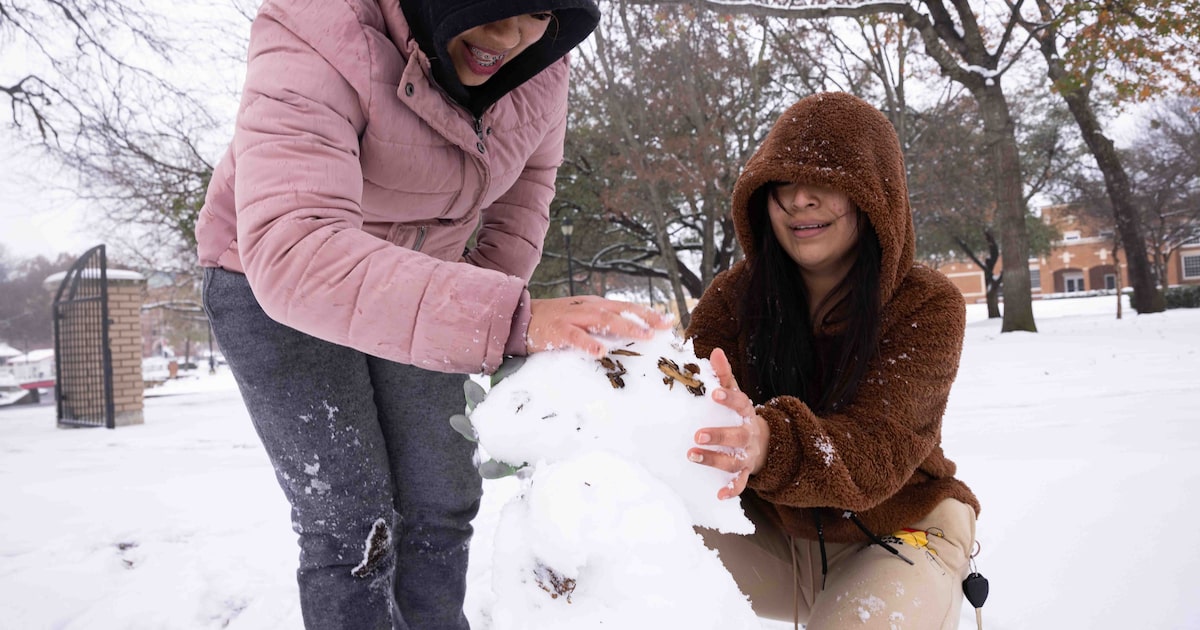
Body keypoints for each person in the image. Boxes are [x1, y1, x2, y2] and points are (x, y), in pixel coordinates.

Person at [195, 1, 669, 628]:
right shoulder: (317, 23)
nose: (508, 35)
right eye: (495, 3)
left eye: (536, 12)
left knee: (441, 500)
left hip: (430, 281)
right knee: (352, 523)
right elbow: (295, 247)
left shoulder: (542, 64)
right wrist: (504, 319)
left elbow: (523, 201)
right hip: (276, 280)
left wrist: (489, 309)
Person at [684, 92, 982, 629]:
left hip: (899, 530)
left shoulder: (926, 302)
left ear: (875, 197)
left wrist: (767, 442)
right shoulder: (733, 298)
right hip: (772, 536)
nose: (799, 200)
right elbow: (687, 407)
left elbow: (879, 446)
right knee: (614, 549)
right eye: (782, 183)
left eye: (824, 181)